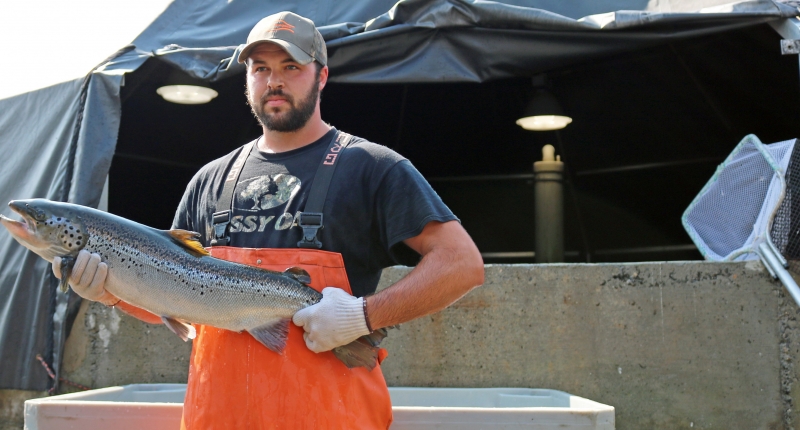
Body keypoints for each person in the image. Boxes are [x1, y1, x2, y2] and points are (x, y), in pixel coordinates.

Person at [53, 11, 484, 429]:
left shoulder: (372, 167)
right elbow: (173, 302)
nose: (274, 81)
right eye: (260, 68)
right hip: (217, 418)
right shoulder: (210, 180)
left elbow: (461, 264)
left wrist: (363, 317)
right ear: (247, 79)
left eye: (291, 66)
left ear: (321, 77)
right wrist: (109, 291)